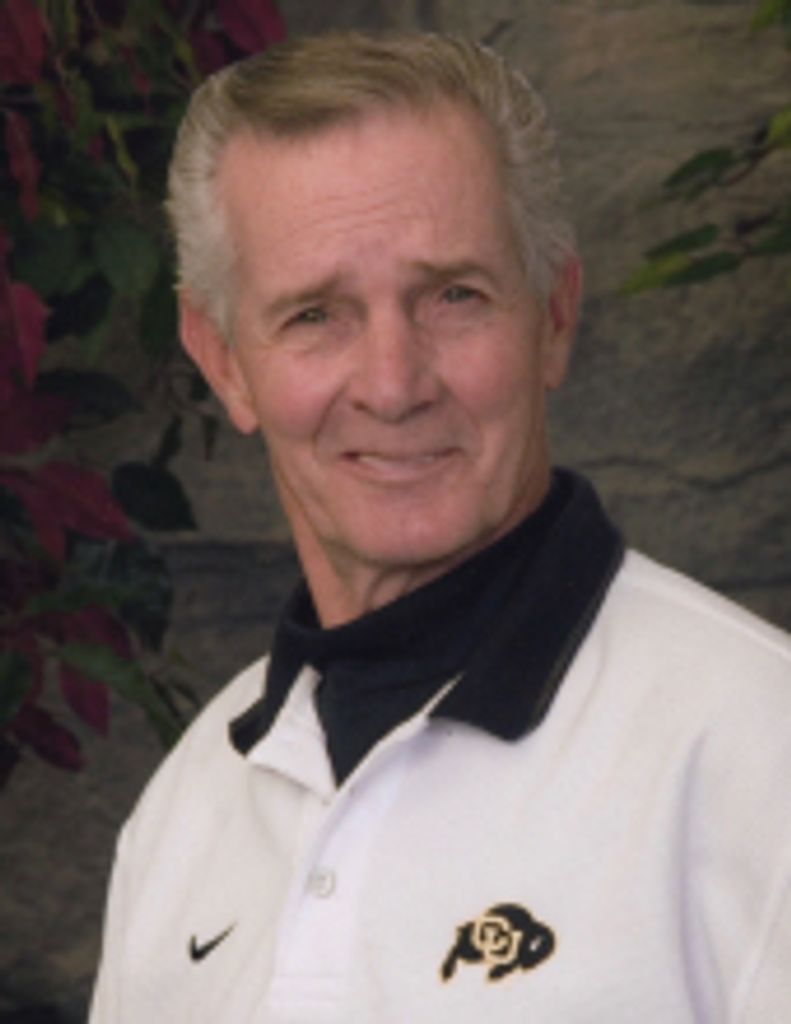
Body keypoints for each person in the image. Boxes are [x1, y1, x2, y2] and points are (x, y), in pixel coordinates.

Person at [89, 31, 791, 1023]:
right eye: (314, 314)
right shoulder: (186, 809)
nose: (392, 384)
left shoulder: (757, 750)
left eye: (454, 296)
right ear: (223, 360)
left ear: (553, 316)